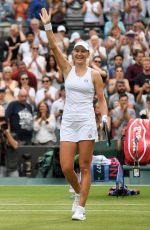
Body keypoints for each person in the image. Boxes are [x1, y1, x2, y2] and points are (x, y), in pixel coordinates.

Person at [40, 8, 108, 221]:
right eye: (76, 50)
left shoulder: (95, 75)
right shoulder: (67, 69)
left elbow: (102, 100)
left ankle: (81, 208)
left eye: (83, 51)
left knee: (85, 167)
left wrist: (104, 118)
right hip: (68, 122)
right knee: (67, 167)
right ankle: (79, 192)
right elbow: (53, 46)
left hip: (86, 121)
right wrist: (48, 26)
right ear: (73, 53)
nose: (79, 54)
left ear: (88, 55)